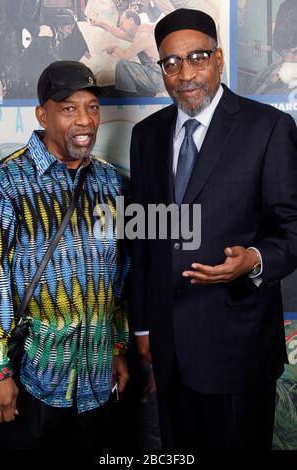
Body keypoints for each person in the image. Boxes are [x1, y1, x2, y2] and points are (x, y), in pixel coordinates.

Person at [130, 8, 297, 450]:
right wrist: (144, 328)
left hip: (238, 349)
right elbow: (146, 238)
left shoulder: (269, 127)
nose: (185, 73)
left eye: (198, 57)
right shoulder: (147, 135)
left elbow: (293, 230)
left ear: (219, 59)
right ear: (162, 70)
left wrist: (254, 260)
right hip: (169, 352)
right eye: (171, 63)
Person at [0, 60, 129, 450]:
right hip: (34, 378)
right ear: (42, 114)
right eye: (69, 108)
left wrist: (118, 347)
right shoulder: (9, 182)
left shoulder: (109, 181)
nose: (85, 120)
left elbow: (117, 273)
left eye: (92, 107)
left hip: (98, 377)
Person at [90, 9, 165, 96]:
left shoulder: (143, 34)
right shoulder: (138, 34)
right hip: (156, 76)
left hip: (158, 77)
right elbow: (118, 32)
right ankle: (139, 97)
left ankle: (127, 100)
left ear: (131, 20)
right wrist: (101, 24)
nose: (121, 26)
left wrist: (114, 48)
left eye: (122, 23)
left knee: (123, 65)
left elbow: (126, 56)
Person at [249, 0, 297, 95]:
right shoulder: (286, 6)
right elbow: (278, 40)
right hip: (293, 57)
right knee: (285, 74)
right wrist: (285, 53)